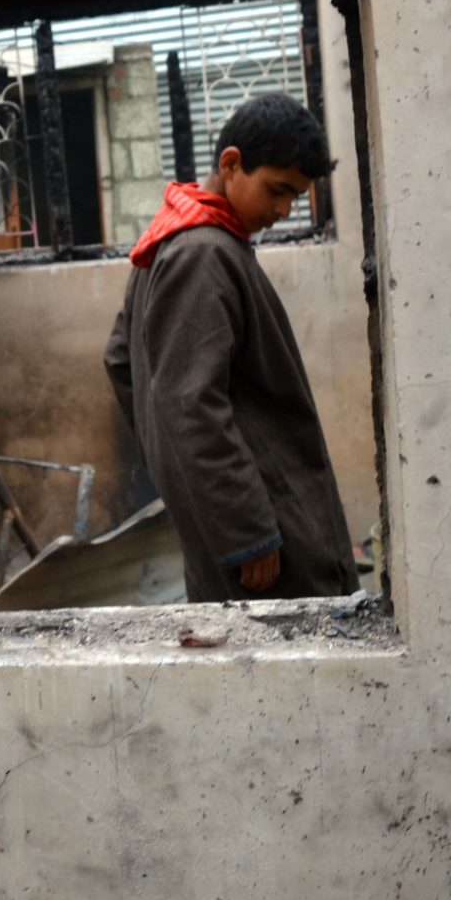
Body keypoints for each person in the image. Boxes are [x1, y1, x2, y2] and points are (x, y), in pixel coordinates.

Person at [103, 91, 360, 603]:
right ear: (231, 163)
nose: (284, 210)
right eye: (277, 190)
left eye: (296, 197)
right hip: (269, 537)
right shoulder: (202, 253)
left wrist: (181, 472)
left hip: (243, 525)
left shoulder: (174, 238)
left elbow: (121, 362)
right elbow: (189, 404)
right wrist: (247, 531)